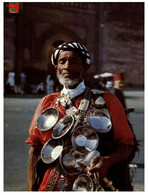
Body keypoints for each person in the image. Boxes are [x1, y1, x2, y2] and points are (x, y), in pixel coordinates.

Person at [25, 42, 136, 191]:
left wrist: (107, 162)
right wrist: (31, 189)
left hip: (95, 183)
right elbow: (35, 149)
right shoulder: (47, 102)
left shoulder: (108, 101)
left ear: (85, 67)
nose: (67, 67)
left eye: (74, 62)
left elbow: (127, 144)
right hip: (52, 185)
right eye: (62, 62)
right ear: (56, 68)